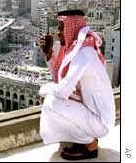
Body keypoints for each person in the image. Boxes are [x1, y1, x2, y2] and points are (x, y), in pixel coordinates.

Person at [37, 10, 115, 160]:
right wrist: (50, 56)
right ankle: (84, 138)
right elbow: (62, 82)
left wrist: (43, 90)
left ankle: (89, 144)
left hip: (100, 121)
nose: (58, 33)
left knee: (51, 102)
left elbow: (63, 91)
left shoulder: (83, 54)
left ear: (72, 28)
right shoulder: (79, 49)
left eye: (61, 28)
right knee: (51, 98)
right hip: (94, 113)